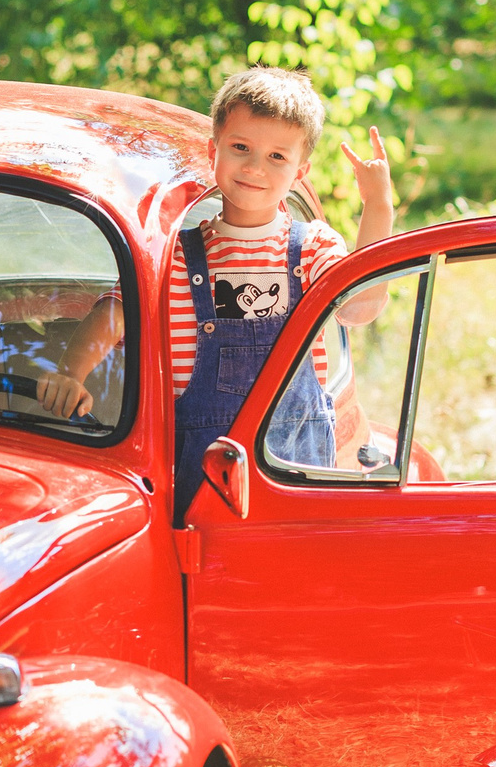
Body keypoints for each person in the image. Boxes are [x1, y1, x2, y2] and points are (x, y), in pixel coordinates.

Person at [36, 67, 396, 516]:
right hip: (199, 484)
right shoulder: (177, 257)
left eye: (276, 157)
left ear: (300, 171)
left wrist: (378, 206)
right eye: (241, 147)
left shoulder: (312, 249)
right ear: (215, 151)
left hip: (294, 480)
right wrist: (72, 372)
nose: (254, 167)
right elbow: (115, 313)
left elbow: (362, 306)